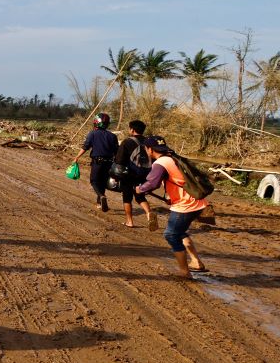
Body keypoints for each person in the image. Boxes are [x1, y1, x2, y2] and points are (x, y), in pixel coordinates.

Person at [135, 136, 208, 278]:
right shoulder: (172, 158)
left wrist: (140, 189)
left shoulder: (161, 162)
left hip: (186, 205)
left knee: (171, 235)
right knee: (180, 232)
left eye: (146, 148)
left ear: (150, 149)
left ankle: (184, 272)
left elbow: (152, 183)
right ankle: (196, 262)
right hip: (197, 201)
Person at [115, 120, 157, 230]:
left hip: (129, 174)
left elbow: (119, 160)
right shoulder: (148, 142)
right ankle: (149, 214)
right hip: (145, 174)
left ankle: (129, 221)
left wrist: (116, 175)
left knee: (127, 198)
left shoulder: (127, 142)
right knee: (140, 196)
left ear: (132, 130)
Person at [71, 112, 118, 211]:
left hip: (97, 162)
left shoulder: (92, 134)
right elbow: (116, 151)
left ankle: (101, 196)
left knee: (94, 181)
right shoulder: (112, 136)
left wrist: (77, 157)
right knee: (103, 182)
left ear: (96, 122)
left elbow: (85, 147)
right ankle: (99, 203)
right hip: (109, 163)